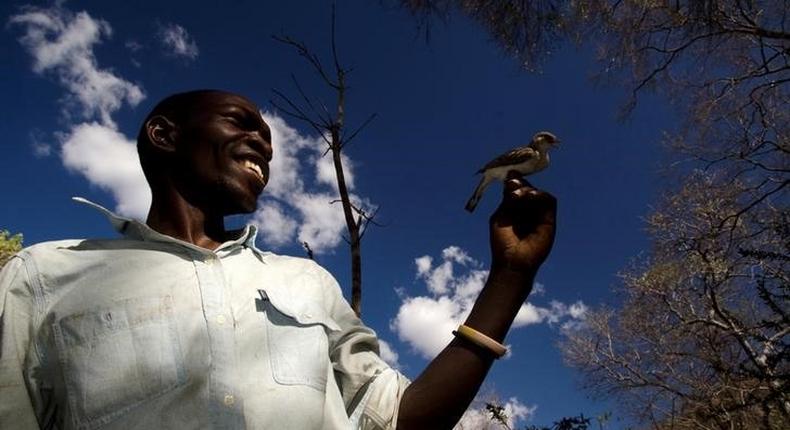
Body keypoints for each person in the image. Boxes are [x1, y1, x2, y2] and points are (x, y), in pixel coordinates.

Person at [0, 90, 556, 429]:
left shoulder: (308, 281)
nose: (263, 143)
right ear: (164, 135)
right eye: (241, 123)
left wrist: (510, 278)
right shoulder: (43, 277)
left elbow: (400, 421)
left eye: (268, 138)